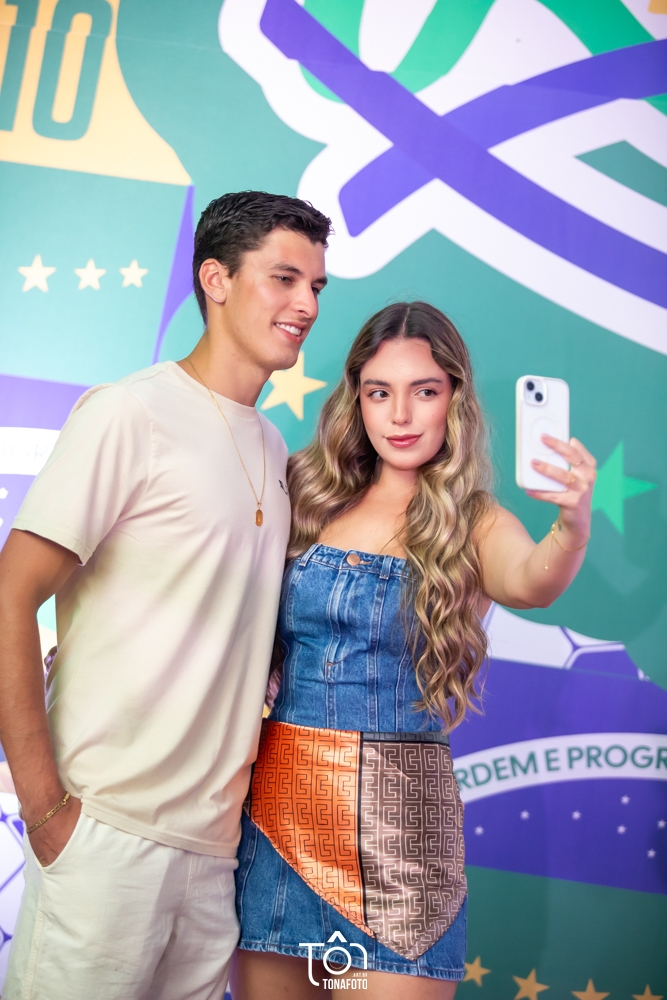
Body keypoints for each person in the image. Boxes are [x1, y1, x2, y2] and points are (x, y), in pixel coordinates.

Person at [0, 191, 331, 999]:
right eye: (284, 278)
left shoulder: (274, 448)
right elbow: (10, 595)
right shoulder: (131, 413)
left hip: (216, 857)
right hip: (104, 837)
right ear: (215, 279)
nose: (306, 305)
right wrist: (46, 810)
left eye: (317, 286)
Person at [230, 301, 596, 1000]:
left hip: (400, 834)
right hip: (278, 816)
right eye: (379, 392)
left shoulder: (471, 518)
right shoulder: (302, 492)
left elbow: (532, 583)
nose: (399, 415)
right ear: (356, 399)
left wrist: (571, 524)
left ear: (454, 397)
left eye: (423, 391)